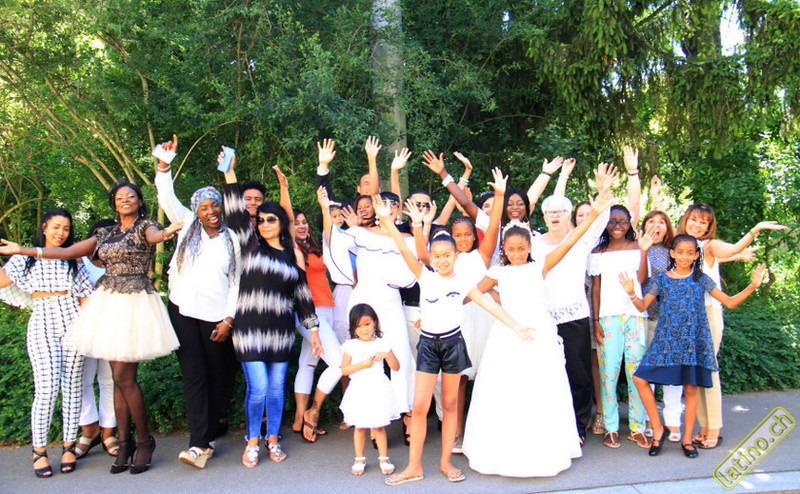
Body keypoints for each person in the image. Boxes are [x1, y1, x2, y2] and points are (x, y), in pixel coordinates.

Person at [0, 179, 183, 475]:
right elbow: (69, 252)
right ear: (113, 203)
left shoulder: (145, 226)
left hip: (134, 302)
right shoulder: (105, 233)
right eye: (119, 197)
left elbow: (154, 236)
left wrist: (166, 233)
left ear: (139, 201)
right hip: (108, 303)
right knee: (118, 379)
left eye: (131, 196)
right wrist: (23, 249)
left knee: (123, 378)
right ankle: (125, 443)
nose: (125, 199)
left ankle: (144, 442)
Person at [376, 190, 537, 486]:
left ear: (455, 256)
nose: (442, 261)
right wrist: (387, 222)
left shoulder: (463, 281)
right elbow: (402, 247)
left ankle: (446, 462)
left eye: (447, 256)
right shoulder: (424, 275)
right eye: (437, 256)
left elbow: (489, 304)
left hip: (453, 345)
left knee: (450, 404)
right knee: (420, 406)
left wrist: (516, 326)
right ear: (432, 257)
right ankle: (414, 466)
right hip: (428, 346)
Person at [462, 189, 612, 477]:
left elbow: (571, 241)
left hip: (540, 334)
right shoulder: (498, 272)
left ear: (530, 247)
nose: (517, 254)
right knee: (508, 391)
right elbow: (473, 293)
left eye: (522, 249)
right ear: (504, 250)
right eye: (511, 249)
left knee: (542, 389)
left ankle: (545, 447)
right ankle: (505, 449)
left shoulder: (540, 267)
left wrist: (594, 213)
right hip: (508, 335)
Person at [621, 234, 766, 457]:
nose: (684, 257)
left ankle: (687, 439)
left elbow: (729, 302)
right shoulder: (661, 279)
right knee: (640, 379)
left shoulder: (701, 279)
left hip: (693, 341)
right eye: (680, 252)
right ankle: (658, 429)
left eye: (690, 253)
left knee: (690, 389)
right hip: (666, 340)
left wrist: (753, 285)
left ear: (697, 255)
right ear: (672, 253)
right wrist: (631, 291)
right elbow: (642, 307)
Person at [220, 152, 322, 468]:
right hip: (249, 329)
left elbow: (303, 295)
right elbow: (236, 213)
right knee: (259, 388)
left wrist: (314, 330)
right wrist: (230, 174)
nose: (264, 223)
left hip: (280, 331)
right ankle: (253, 441)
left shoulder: (292, 257)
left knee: (276, 390)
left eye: (271, 219)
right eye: (261, 219)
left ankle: (273, 439)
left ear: (281, 224)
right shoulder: (249, 244)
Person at [155, 140, 241, 469]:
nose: (211, 212)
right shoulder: (187, 225)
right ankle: (198, 444)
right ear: (196, 211)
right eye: (204, 207)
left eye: (214, 205)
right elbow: (166, 197)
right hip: (182, 312)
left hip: (216, 317)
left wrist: (229, 319)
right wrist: (165, 164)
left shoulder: (232, 239)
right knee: (193, 375)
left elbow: (236, 282)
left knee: (220, 374)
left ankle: (212, 425)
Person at [676, 204, 785, 449]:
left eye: (703, 222)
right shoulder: (683, 246)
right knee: (695, 372)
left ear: (709, 227)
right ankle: (704, 427)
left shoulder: (709, 245)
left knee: (708, 370)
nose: (697, 225)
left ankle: (713, 429)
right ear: (686, 220)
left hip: (708, 313)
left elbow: (733, 248)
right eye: (694, 220)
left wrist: (754, 230)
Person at [0, 209, 93, 477]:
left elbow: (85, 297)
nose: (60, 233)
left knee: (73, 386)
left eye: (66, 228)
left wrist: (94, 327)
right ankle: (39, 450)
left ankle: (68, 446)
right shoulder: (25, 257)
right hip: (42, 322)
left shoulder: (74, 259)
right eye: (55, 227)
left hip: (74, 321)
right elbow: (2, 280)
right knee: (47, 388)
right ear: (44, 227)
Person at [530, 162, 617, 445]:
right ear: (544, 217)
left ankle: (579, 425)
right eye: (550, 212)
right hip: (543, 319)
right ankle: (552, 424)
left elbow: (600, 220)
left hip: (575, 317)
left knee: (578, 374)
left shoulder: (580, 240)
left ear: (570, 216)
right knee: (547, 373)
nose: (555, 215)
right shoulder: (534, 244)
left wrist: (603, 191)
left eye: (561, 211)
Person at [589, 205, 650, 449]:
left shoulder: (638, 247)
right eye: (612, 221)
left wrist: (644, 251)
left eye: (622, 221)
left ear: (630, 223)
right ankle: (611, 428)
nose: (617, 226)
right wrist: (595, 321)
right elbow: (595, 289)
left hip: (636, 315)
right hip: (608, 317)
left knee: (636, 373)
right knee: (608, 373)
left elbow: (642, 279)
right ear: (605, 224)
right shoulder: (598, 252)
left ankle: (637, 428)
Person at [290, 207, 343, 442]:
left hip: (327, 308)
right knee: (339, 364)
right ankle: (314, 410)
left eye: (304, 222)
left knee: (307, 363)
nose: (301, 226)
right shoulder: (292, 250)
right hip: (309, 313)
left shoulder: (313, 247)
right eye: (295, 223)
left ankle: (298, 420)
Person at [74, 219, 119, 460]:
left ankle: (109, 432)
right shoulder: (80, 260)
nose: (103, 239)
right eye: (98, 235)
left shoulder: (120, 261)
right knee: (81, 379)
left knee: (109, 380)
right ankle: (88, 430)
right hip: (86, 328)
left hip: (113, 328)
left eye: (109, 234)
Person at [340, 303, 401, 476]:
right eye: (358, 326)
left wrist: (387, 355)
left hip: (378, 388)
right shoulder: (351, 345)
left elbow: (396, 366)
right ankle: (359, 459)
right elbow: (344, 370)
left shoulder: (382, 344)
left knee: (379, 425)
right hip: (359, 389)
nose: (364, 329)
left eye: (367, 324)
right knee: (359, 426)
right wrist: (362, 365)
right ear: (353, 328)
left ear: (374, 322)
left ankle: (383, 458)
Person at [638, 210, 682, 442]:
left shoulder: (674, 252)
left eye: (661, 222)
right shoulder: (637, 249)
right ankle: (649, 419)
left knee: (672, 371)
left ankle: (673, 421)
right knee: (648, 371)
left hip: (669, 320)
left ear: (668, 228)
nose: (656, 225)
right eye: (651, 221)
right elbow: (641, 280)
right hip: (644, 318)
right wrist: (643, 250)